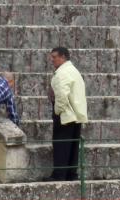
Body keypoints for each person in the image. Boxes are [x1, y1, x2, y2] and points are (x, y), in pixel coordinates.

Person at [45, 47, 87, 182]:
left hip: (65, 115)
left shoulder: (62, 73)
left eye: (54, 57)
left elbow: (62, 95)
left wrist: (58, 110)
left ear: (62, 57)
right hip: (77, 114)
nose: (52, 60)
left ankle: (59, 175)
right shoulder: (74, 71)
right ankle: (71, 174)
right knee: (73, 146)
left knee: (61, 145)